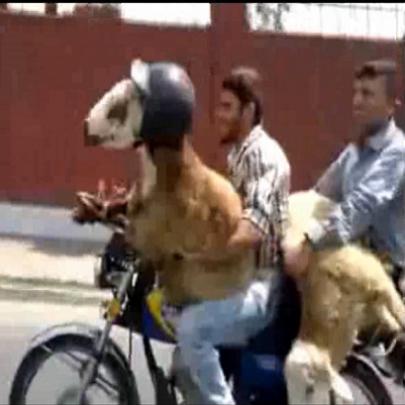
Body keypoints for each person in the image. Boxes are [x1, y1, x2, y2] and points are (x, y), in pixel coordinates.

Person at [282, 58, 405, 404]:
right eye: (355, 92)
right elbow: (320, 193)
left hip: (382, 273)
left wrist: (308, 241)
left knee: (307, 357)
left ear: (391, 104)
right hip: (343, 262)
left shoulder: (396, 153)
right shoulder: (354, 153)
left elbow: (361, 208)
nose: (357, 100)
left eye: (368, 93)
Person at [173, 66, 295, 405]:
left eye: (228, 107)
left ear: (249, 110)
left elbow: (250, 231)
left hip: (260, 286)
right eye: (220, 106)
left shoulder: (262, 156)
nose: (219, 114)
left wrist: (197, 254)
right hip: (238, 278)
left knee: (191, 328)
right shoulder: (239, 156)